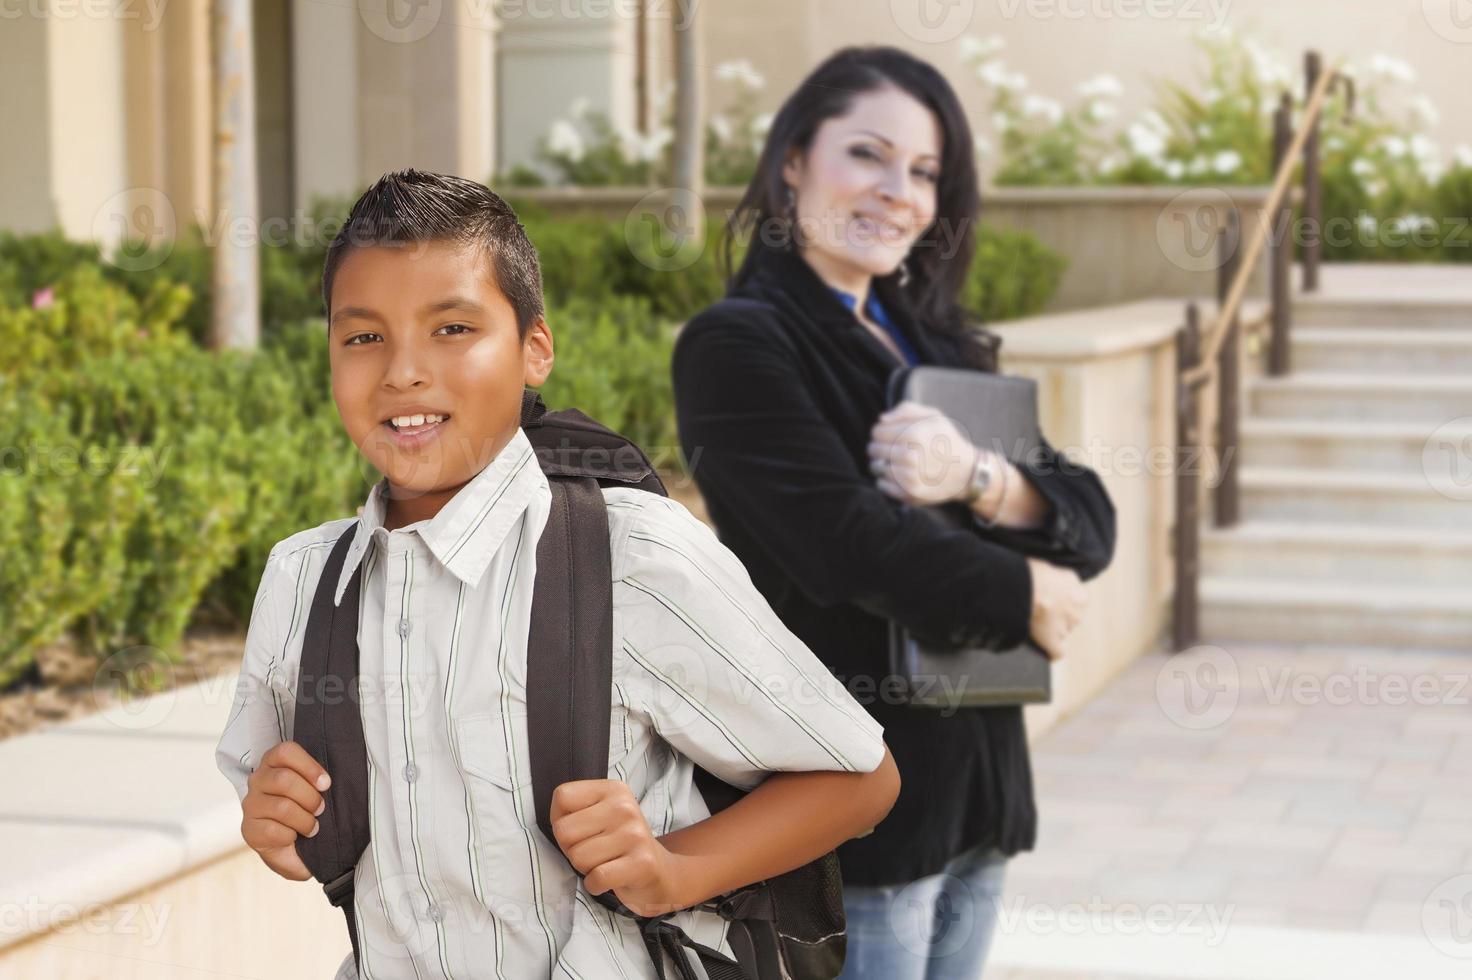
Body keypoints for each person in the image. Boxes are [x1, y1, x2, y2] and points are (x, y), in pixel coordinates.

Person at [213, 169, 901, 980]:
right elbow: (293, 832)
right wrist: (273, 823)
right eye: (363, 336)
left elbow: (859, 776)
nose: (402, 370)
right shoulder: (302, 582)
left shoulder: (630, 557)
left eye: (453, 328)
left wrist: (675, 869)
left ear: (534, 348)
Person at [671, 47, 1117, 979]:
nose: (898, 193)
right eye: (867, 155)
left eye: (925, 173)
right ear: (794, 158)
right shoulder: (739, 343)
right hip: (861, 809)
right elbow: (846, 549)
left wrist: (981, 479)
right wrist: (1026, 586)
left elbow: (1090, 515)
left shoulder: (937, 340)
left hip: (978, 792)